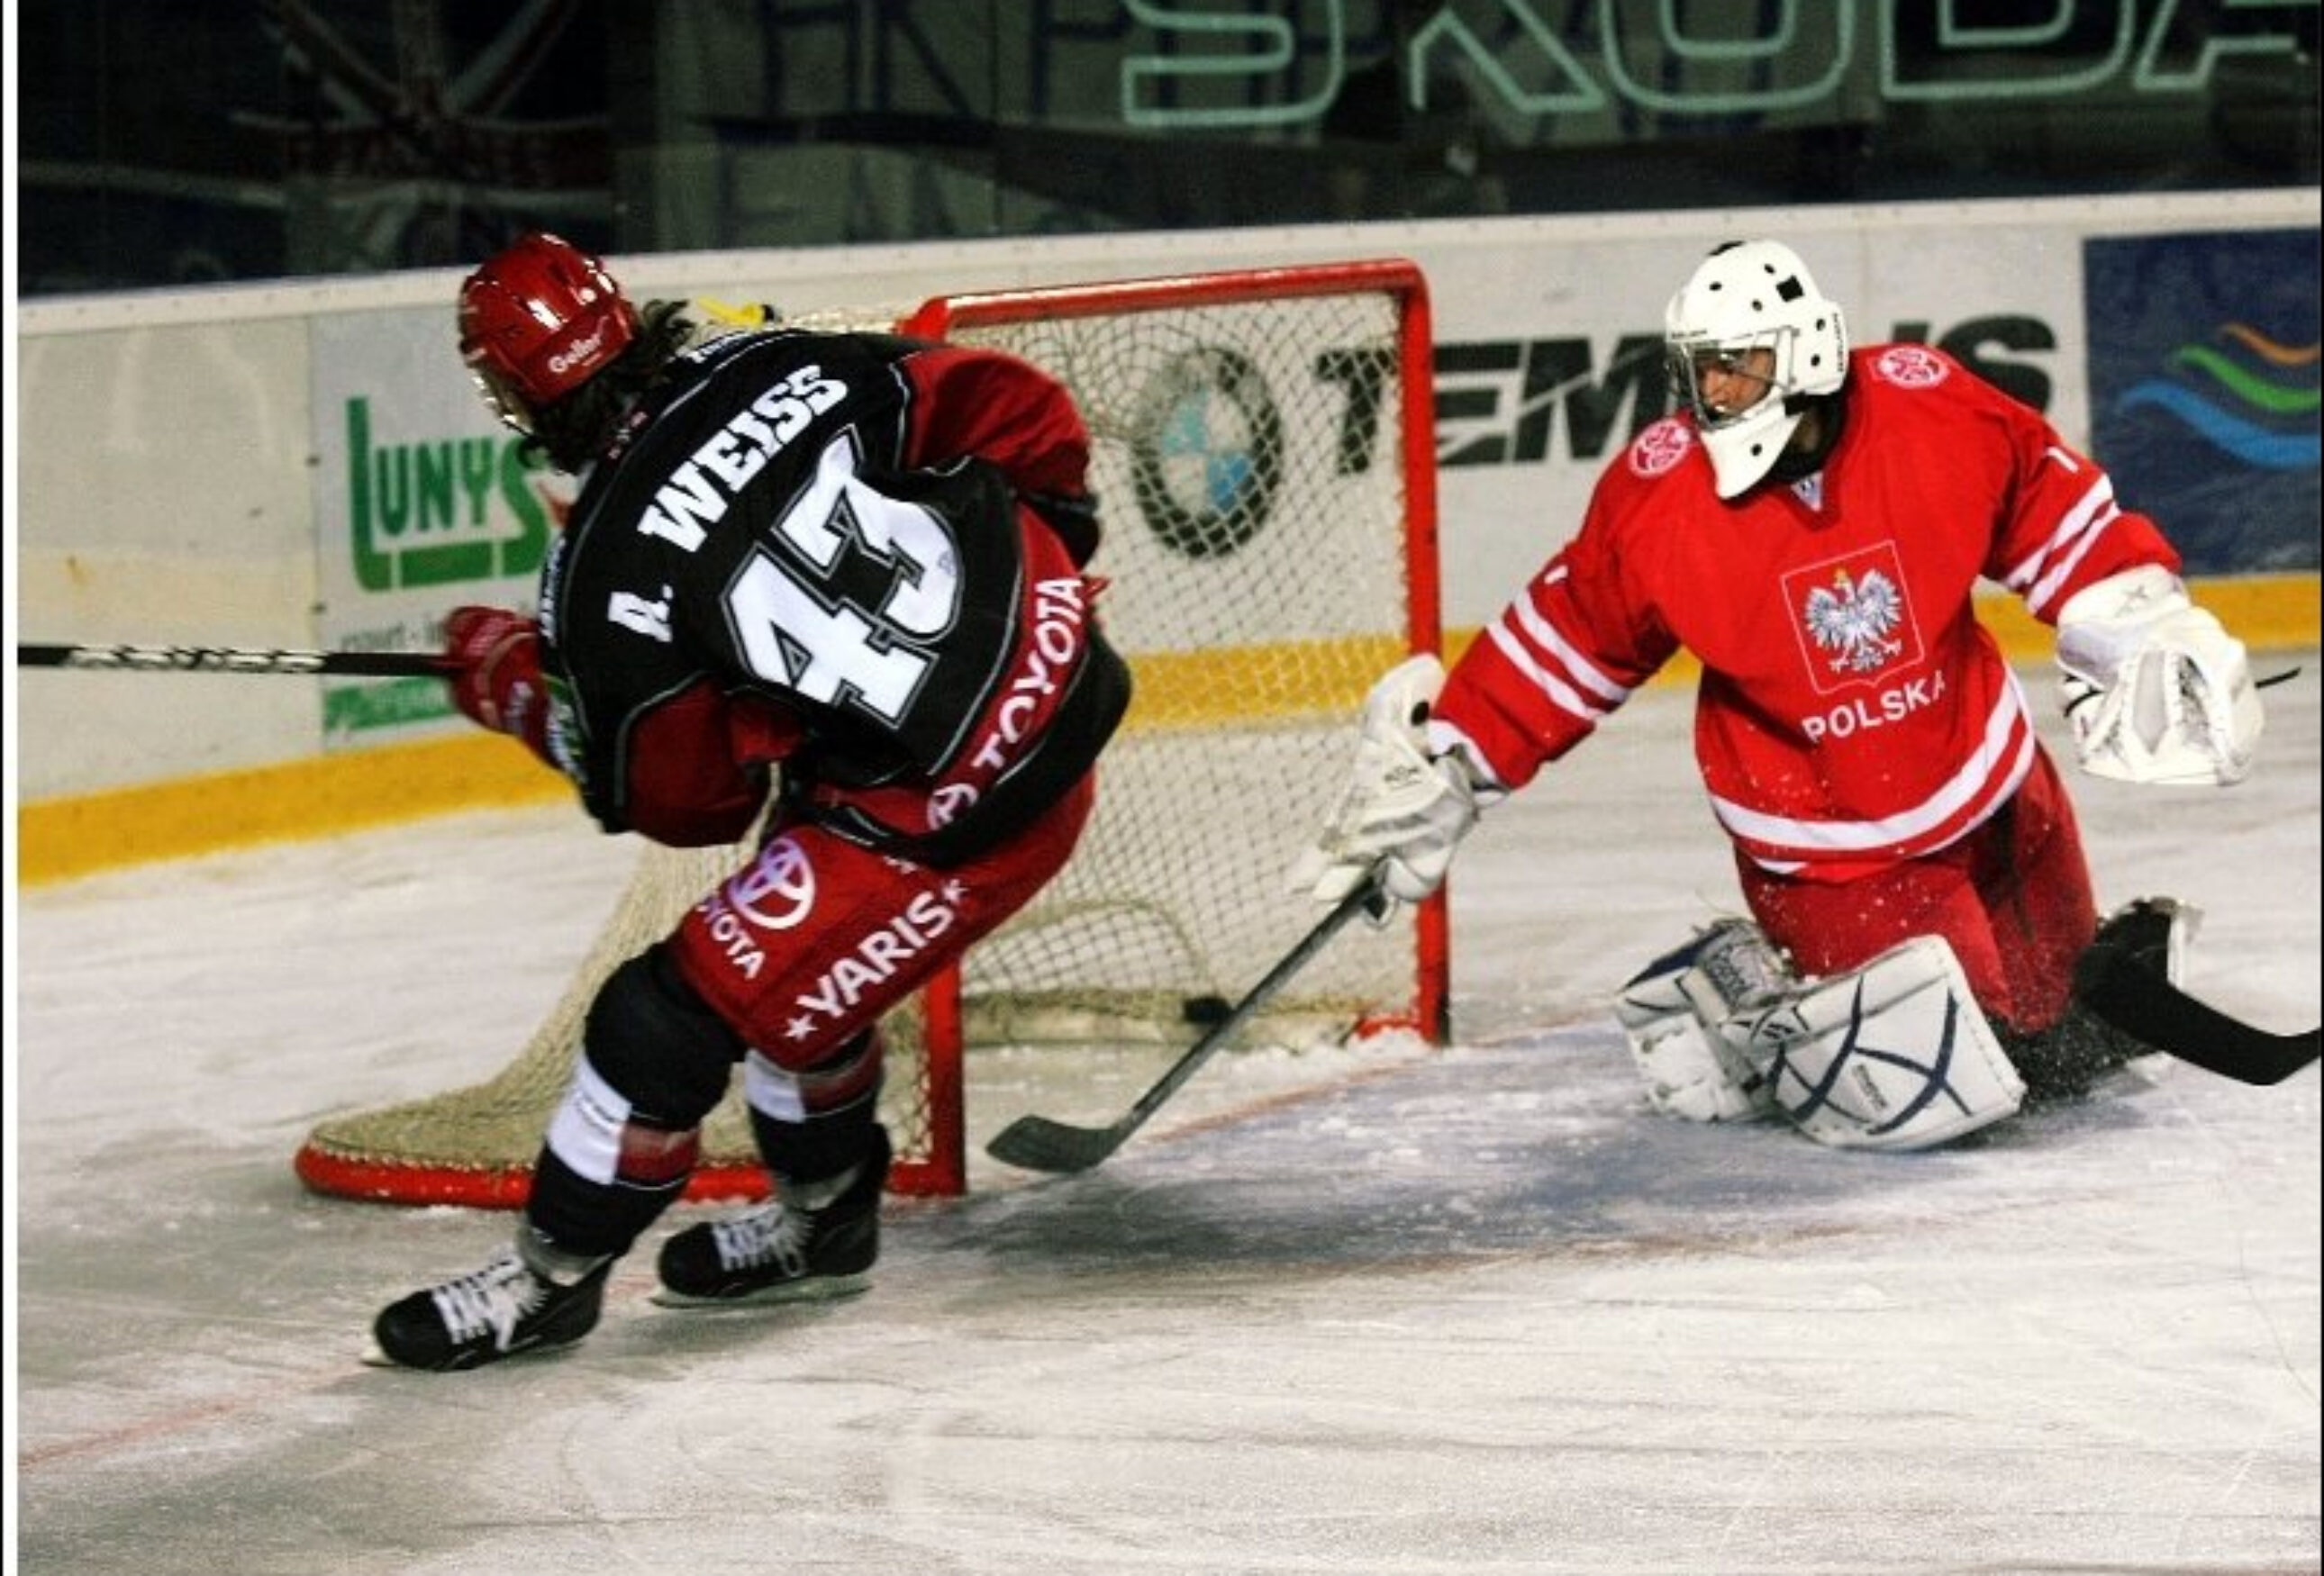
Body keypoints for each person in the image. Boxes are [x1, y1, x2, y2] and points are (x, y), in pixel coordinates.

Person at [1299, 238, 2266, 1152]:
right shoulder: (1661, 497)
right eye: (1702, 370)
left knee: (2063, 1049)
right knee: (1954, 1084)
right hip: (1832, 856)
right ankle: (1735, 992)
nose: (1713, 392)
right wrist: (1454, 762)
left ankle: (1837, 997)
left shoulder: (1928, 406)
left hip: (1997, 791)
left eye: (1739, 366)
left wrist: (2139, 615)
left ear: (1806, 353)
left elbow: (2049, 509)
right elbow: (1564, 641)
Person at [369, 233, 1130, 1370]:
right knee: (796, 970)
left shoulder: (599, 579)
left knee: (658, 1019)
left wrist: (524, 690)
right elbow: (1014, 404)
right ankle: (827, 1226)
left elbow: (687, 806)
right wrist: (1055, 543)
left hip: (957, 819)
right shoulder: (777, 359)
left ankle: (549, 1282)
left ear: (519, 398)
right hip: (1064, 678)